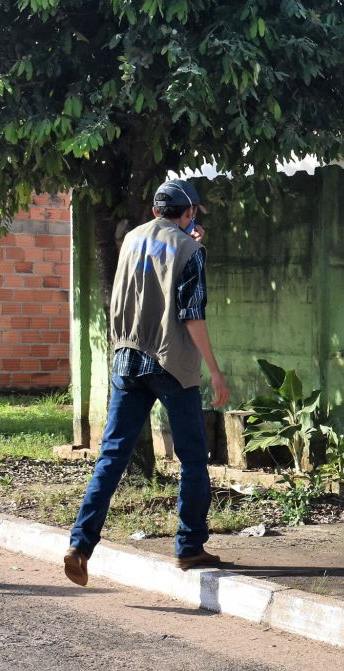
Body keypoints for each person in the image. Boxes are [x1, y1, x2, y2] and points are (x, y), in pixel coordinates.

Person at [64, 178, 230, 586]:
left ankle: (80, 545)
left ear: (157, 210)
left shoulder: (132, 240)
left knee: (111, 456)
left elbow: (153, 266)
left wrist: (186, 239)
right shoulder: (191, 250)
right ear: (188, 211)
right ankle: (189, 545)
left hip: (126, 359)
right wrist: (215, 369)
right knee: (193, 458)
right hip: (170, 364)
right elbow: (191, 314)